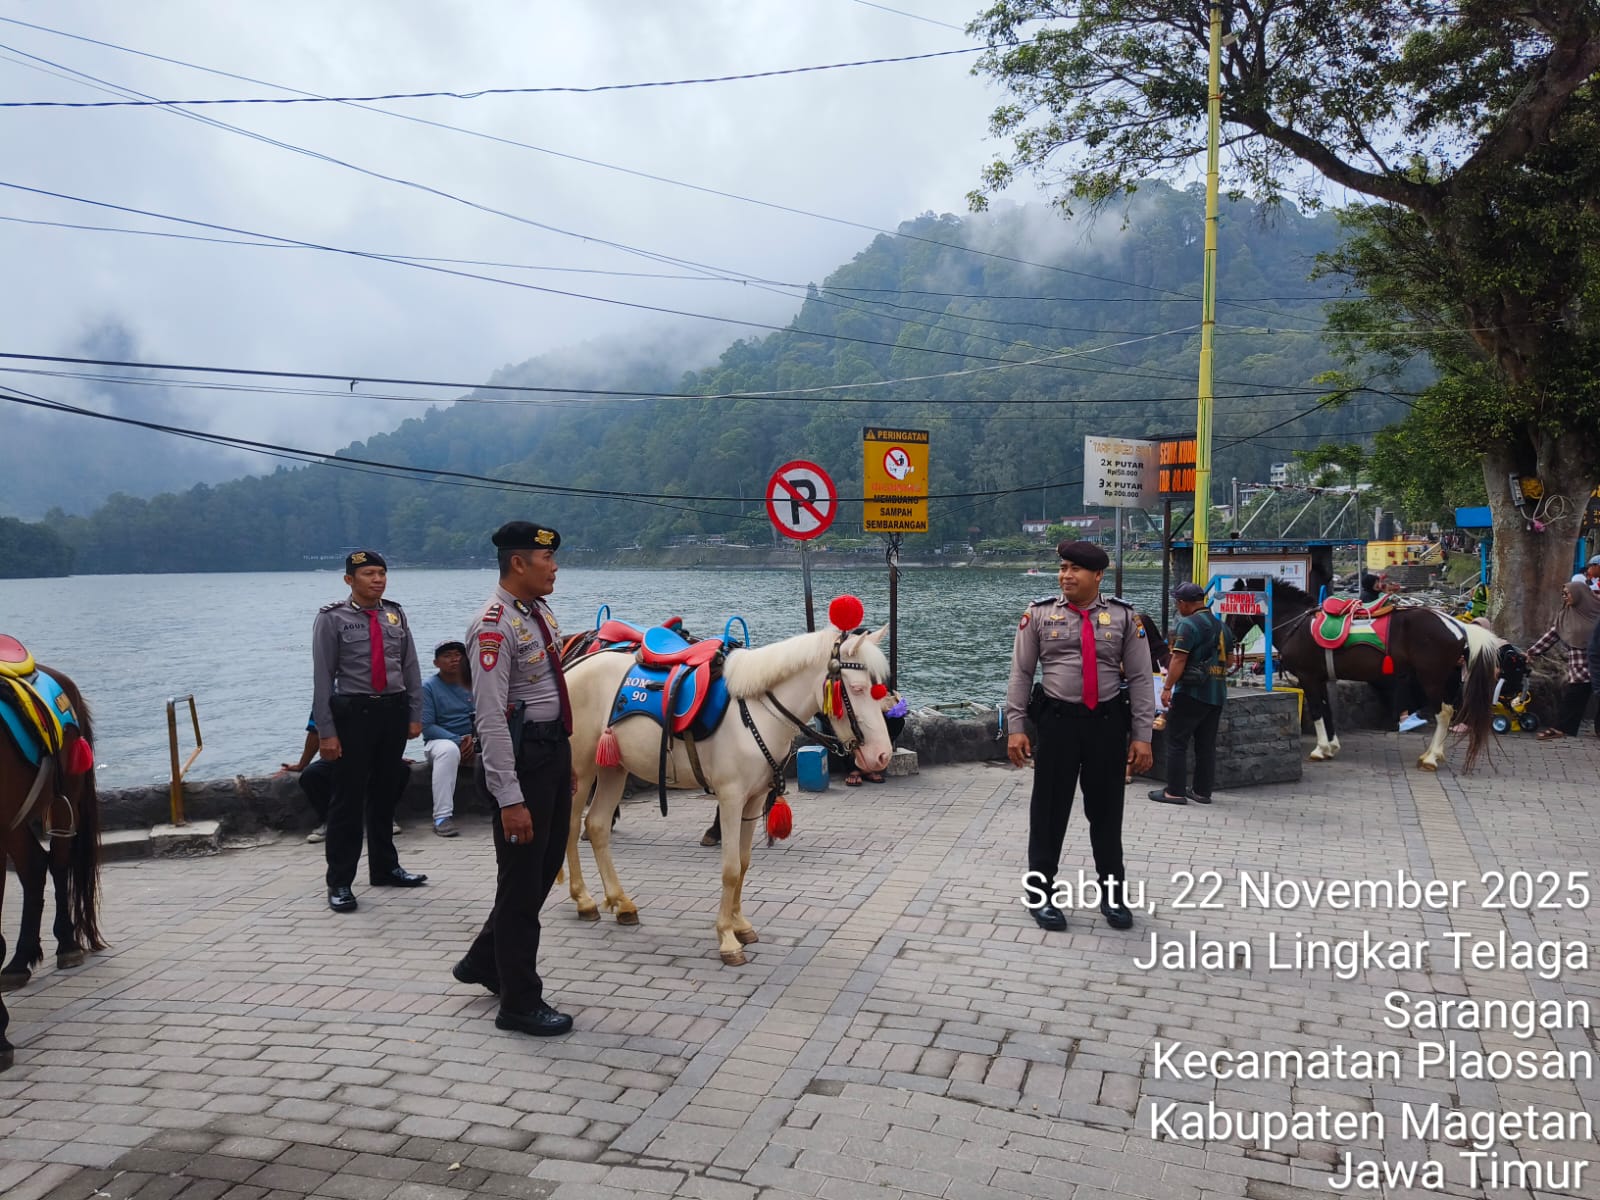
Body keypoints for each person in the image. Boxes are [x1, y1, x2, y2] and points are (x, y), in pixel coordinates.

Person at [452, 521, 575, 1037]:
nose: (554, 567)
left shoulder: (538, 613)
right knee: (522, 883)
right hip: (521, 761)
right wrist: (510, 799)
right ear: (518, 563)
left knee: (542, 871)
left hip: (551, 752)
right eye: (546, 559)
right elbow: (490, 719)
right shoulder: (493, 626)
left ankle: (484, 960)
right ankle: (519, 1002)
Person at [1005, 539, 1154, 933]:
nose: (1066, 575)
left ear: (1098, 575)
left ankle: (1113, 896)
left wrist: (1143, 736)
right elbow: (1021, 673)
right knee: (1048, 813)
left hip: (1106, 724)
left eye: (1075, 569)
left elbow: (1140, 679)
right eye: (1063, 568)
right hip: (1057, 723)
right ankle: (1041, 896)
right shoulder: (1038, 615)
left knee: (1106, 813)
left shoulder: (1124, 617)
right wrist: (1016, 727)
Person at [311, 550, 426, 913]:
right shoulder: (332, 618)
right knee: (347, 800)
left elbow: (410, 666)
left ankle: (386, 867)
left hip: (392, 711)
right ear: (349, 580)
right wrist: (326, 732)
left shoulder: (395, 613)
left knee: (386, 793)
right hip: (354, 713)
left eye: (381, 573)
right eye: (368, 574)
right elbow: (322, 679)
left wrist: (414, 713)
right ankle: (340, 882)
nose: (377, 580)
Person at [1150, 582, 1227, 805]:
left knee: (1177, 742)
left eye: (1178, 602)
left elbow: (1179, 659)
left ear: (1184, 603)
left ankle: (1174, 791)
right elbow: (1230, 661)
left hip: (1191, 692)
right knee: (1206, 744)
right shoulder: (1222, 626)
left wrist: (1166, 688)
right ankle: (1202, 792)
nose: (1177, 606)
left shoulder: (1188, 625)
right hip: (1217, 692)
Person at [1530, 582, 1600, 740]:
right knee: (1574, 695)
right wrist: (1533, 652)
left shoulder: (1596, 610)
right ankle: (1560, 728)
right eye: (1563, 594)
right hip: (1579, 663)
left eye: (1567, 593)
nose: (1565, 597)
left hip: (1597, 662)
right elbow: (1551, 636)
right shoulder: (1565, 616)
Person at [421, 640, 476, 837]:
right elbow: (426, 727)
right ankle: (442, 817)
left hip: (473, 739)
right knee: (448, 750)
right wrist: (457, 740)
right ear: (436, 663)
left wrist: (475, 739)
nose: (454, 660)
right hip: (440, 742)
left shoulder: (474, 682)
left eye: (458, 655)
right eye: (447, 656)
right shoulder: (428, 687)